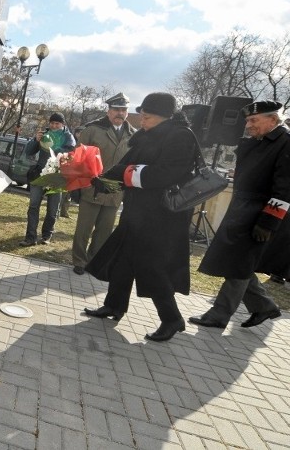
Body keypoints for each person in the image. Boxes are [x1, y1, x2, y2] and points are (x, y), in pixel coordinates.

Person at [84, 93, 197, 342]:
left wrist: (123, 175)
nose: (141, 120)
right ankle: (114, 305)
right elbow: (127, 164)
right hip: (137, 212)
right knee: (123, 259)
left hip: (162, 217)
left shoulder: (180, 136)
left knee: (151, 266)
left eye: (147, 116)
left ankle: (172, 319)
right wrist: (103, 179)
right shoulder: (147, 134)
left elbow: (166, 174)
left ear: (164, 116)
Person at [189, 100, 290, 329]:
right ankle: (263, 306)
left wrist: (268, 222)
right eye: (247, 121)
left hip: (260, 214)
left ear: (273, 119)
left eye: (253, 120)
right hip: (243, 210)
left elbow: (285, 188)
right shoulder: (260, 141)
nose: (248, 125)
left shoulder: (286, 144)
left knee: (241, 263)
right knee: (238, 261)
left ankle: (219, 315)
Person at [71, 93, 136, 275]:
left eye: (123, 110)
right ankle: (79, 260)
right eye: (116, 109)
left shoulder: (133, 135)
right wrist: (79, 184)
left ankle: (94, 261)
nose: (120, 113)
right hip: (92, 186)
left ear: (127, 113)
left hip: (115, 190)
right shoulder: (92, 129)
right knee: (84, 228)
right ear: (108, 111)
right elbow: (78, 158)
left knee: (104, 230)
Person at [19, 112, 76, 246]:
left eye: (57, 123)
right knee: (33, 206)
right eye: (52, 123)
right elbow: (29, 151)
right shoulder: (44, 134)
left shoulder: (68, 136)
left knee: (52, 209)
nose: (54, 126)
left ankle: (46, 236)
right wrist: (35, 141)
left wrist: (55, 148)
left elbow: (71, 151)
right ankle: (30, 237)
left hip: (57, 176)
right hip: (40, 174)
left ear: (62, 124)